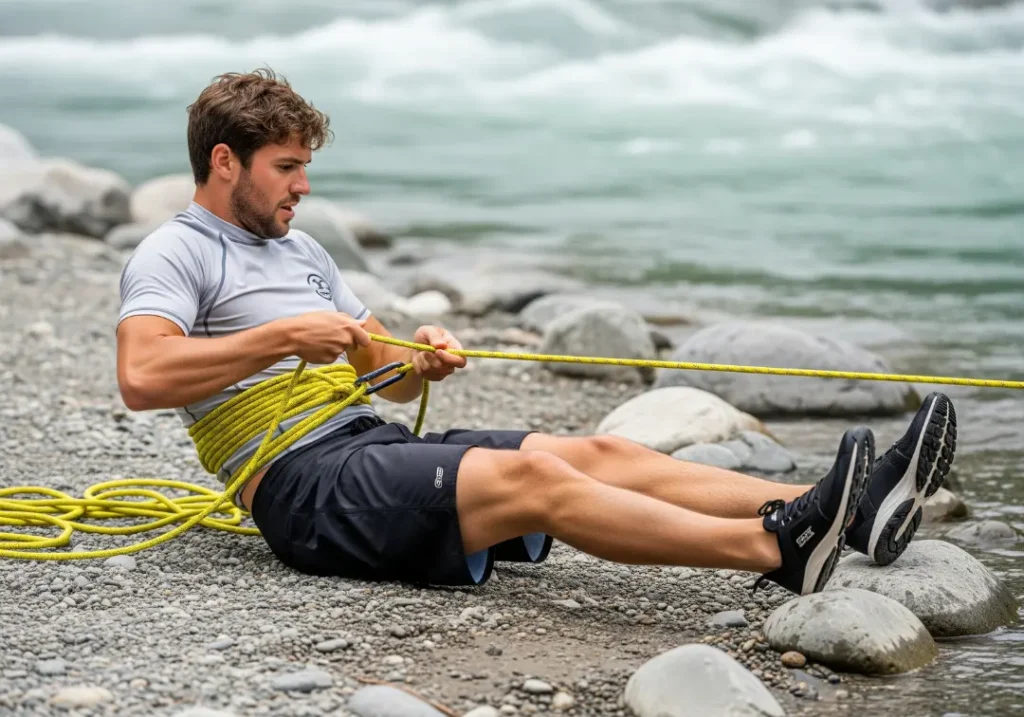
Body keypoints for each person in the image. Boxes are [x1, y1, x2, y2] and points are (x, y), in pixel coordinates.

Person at [115, 68, 958, 596]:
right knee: (533, 478)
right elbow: (142, 378)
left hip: (364, 438)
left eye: (306, 168)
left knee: (593, 454)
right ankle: (774, 549)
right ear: (225, 162)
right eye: (286, 169)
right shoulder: (174, 252)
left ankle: (849, 515)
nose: (301, 186)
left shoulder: (302, 250)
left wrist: (419, 355)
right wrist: (280, 339)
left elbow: (391, 380)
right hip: (302, 488)